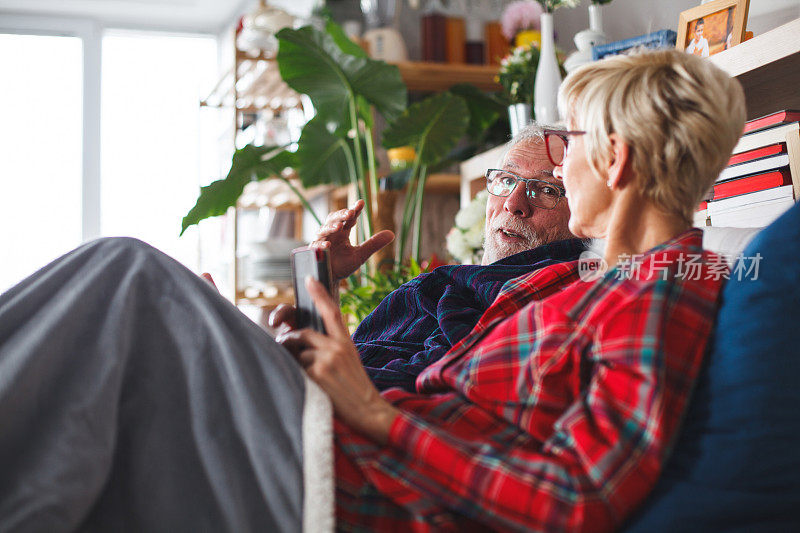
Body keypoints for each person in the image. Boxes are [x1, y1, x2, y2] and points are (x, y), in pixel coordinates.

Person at [0, 48, 745, 532]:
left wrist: (373, 416)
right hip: (349, 433)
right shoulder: (592, 279)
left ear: (613, 159)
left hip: (369, 475)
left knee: (128, 281)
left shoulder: (663, 291)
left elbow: (578, 498)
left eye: (569, 145)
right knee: (132, 302)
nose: (539, 181)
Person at [272, 123, 584, 392]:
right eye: (506, 181)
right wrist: (324, 287)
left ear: (582, 208)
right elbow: (351, 365)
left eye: (545, 189)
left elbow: (405, 391)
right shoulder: (451, 287)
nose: (514, 204)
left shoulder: (563, 295)